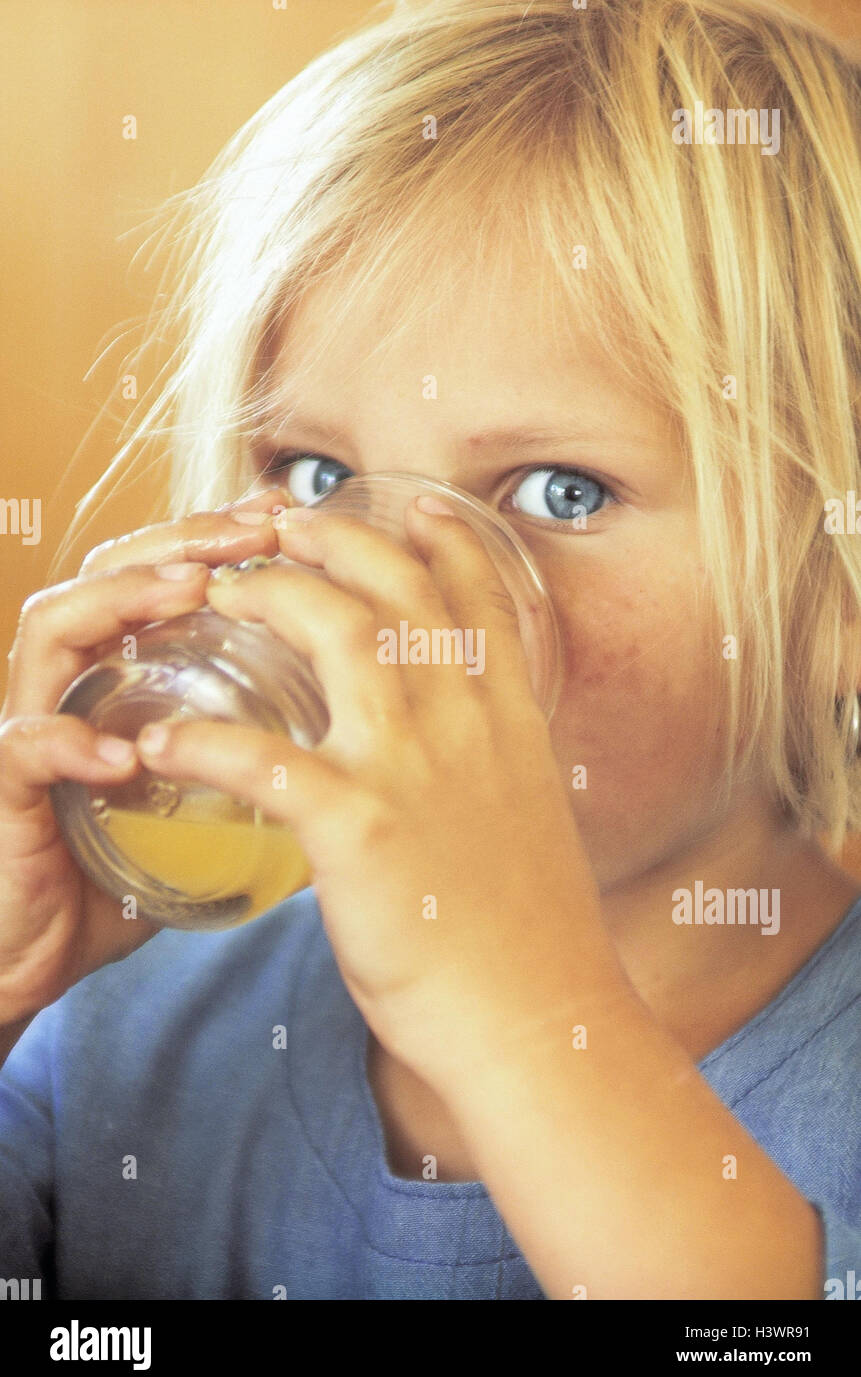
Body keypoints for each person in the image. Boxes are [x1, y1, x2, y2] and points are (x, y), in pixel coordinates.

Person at [0, 0, 859, 1300]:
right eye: (317, 469)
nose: (382, 586)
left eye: (556, 490)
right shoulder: (125, 1025)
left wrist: (520, 1022)